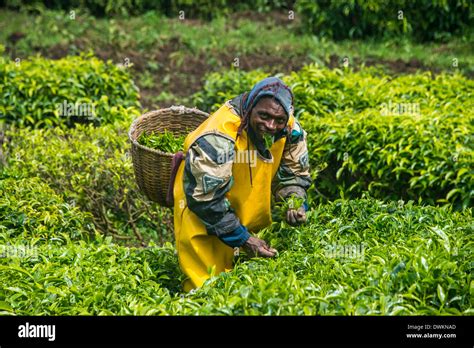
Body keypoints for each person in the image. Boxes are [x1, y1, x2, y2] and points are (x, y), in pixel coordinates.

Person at [173, 77, 312, 291]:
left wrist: (295, 202)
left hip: (245, 212)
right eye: (263, 116)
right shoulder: (219, 135)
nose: (270, 125)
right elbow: (205, 200)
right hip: (203, 212)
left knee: (241, 292)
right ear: (250, 108)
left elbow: (294, 173)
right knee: (205, 288)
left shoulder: (290, 130)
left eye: (278, 119)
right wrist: (244, 239)